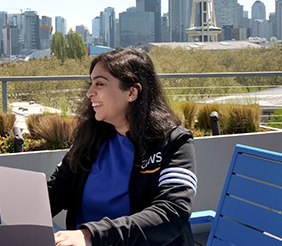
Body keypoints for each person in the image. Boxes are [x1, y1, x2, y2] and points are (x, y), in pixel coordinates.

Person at [48, 48, 197, 246]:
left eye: (99, 84)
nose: (89, 92)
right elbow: (57, 190)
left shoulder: (173, 142)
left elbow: (172, 213)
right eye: (90, 83)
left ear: (132, 92)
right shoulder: (91, 139)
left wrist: (91, 235)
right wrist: (19, 209)